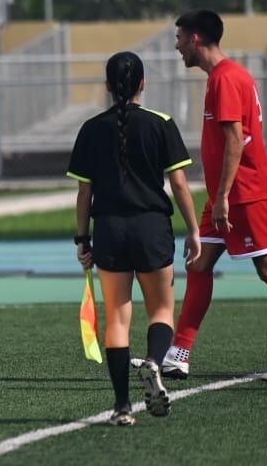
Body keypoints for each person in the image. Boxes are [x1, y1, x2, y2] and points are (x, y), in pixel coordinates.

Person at [165, 9, 267, 381]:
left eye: (181, 37)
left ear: (197, 39)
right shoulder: (222, 77)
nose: (178, 45)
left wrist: (224, 197)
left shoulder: (226, 78)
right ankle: (178, 353)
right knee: (198, 262)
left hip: (243, 194)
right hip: (227, 194)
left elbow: (236, 139)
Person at [67, 52, 201, 426]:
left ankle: (122, 407)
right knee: (161, 311)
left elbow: (84, 194)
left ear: (108, 86)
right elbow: (178, 184)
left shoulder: (91, 129)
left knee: (117, 319)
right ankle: (155, 364)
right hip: (151, 229)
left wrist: (82, 239)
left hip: (109, 230)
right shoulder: (161, 124)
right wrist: (193, 230)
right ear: (143, 83)